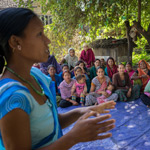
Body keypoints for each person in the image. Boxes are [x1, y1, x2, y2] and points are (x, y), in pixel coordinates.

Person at [0, 8, 116, 150]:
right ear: (15, 41)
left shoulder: (36, 76)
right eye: (39, 34)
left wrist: (86, 110)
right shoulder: (12, 98)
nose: (47, 40)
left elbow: (52, 121)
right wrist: (73, 137)